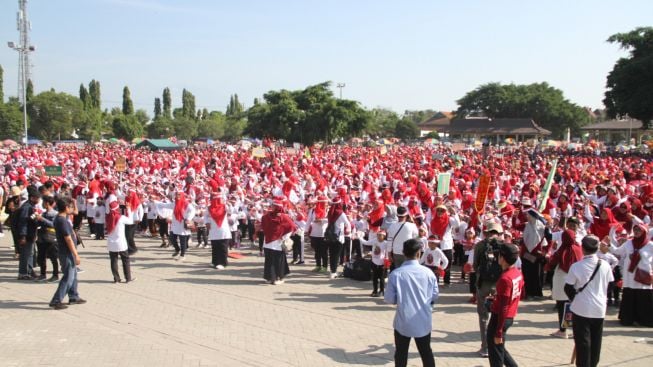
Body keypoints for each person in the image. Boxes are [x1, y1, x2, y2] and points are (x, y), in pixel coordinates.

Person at [384, 239, 438, 367]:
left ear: (403, 253)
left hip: (403, 321)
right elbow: (435, 296)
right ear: (419, 253)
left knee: (401, 353)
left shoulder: (396, 274)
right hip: (423, 320)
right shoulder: (428, 273)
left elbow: (389, 299)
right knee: (426, 352)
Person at [565, 235, 614, 367]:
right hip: (599, 308)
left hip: (581, 308)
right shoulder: (605, 265)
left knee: (583, 343)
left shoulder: (576, 266)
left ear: (583, 248)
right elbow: (611, 286)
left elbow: (568, 288)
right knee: (596, 341)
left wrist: (575, 298)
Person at [605, 223, 653, 326]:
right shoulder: (629, 243)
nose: (636, 232)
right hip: (630, 276)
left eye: (639, 230)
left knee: (643, 298)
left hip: (643, 276)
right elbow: (617, 251)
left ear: (644, 232)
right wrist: (610, 241)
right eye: (635, 230)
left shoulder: (650, 245)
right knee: (630, 296)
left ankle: (644, 320)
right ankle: (628, 319)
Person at [487, 243, 524, 367]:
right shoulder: (517, 273)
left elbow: (503, 307)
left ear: (502, 258)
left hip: (500, 318)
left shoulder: (505, 278)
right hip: (510, 316)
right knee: (500, 349)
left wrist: (498, 330)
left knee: (495, 354)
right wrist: (497, 298)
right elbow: (520, 294)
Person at [473, 221, 504, 358]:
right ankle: (497, 346)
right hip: (499, 285)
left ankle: (485, 347)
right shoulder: (504, 246)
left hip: (483, 284)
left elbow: (475, 265)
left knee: (483, 317)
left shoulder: (480, 245)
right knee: (498, 316)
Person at [544, 228, 583, 338]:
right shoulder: (578, 249)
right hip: (575, 281)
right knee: (573, 307)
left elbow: (552, 263)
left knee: (562, 306)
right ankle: (575, 330)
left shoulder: (562, 250)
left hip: (562, 281)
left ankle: (563, 330)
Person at [49, 197, 86, 310]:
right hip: (67, 252)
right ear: (66, 208)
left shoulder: (61, 218)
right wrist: (76, 254)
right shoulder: (62, 221)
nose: (72, 209)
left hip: (67, 252)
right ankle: (56, 300)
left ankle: (73, 296)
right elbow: (68, 239)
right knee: (68, 277)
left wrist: (74, 203)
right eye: (70, 206)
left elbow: (75, 212)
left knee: (73, 275)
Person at [261, 198, 296, 285]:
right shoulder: (272, 216)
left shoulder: (272, 216)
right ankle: (273, 278)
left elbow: (291, 227)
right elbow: (291, 226)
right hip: (273, 243)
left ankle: (274, 278)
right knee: (273, 261)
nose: (271, 207)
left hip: (273, 242)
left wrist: (283, 237)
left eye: (273, 206)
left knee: (273, 261)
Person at [15, 186, 41, 280]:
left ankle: (29, 271)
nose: (38, 200)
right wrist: (23, 236)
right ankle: (22, 273)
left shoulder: (31, 206)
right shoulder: (26, 207)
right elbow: (23, 223)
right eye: (37, 198)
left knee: (30, 253)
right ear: (32, 198)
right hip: (26, 235)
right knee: (25, 254)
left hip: (31, 234)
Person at [106, 201, 134, 283]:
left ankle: (116, 279)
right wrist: (128, 209)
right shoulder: (121, 217)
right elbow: (130, 221)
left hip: (111, 243)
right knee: (125, 260)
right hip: (121, 243)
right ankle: (128, 278)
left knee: (113, 261)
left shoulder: (108, 217)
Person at [35, 195, 59, 282]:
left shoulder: (55, 214)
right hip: (42, 237)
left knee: (53, 256)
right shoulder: (44, 213)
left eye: (43, 203)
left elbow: (54, 225)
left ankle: (55, 274)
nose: (42, 204)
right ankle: (42, 273)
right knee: (41, 256)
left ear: (47, 203)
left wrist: (42, 219)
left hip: (52, 237)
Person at [205, 191, 231, 269]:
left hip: (223, 230)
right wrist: (207, 222)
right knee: (215, 247)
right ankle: (215, 262)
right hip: (213, 229)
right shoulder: (209, 208)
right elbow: (205, 216)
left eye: (218, 199)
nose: (216, 201)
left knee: (223, 247)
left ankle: (223, 263)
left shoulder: (224, 206)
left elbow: (230, 211)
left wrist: (227, 204)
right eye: (214, 199)